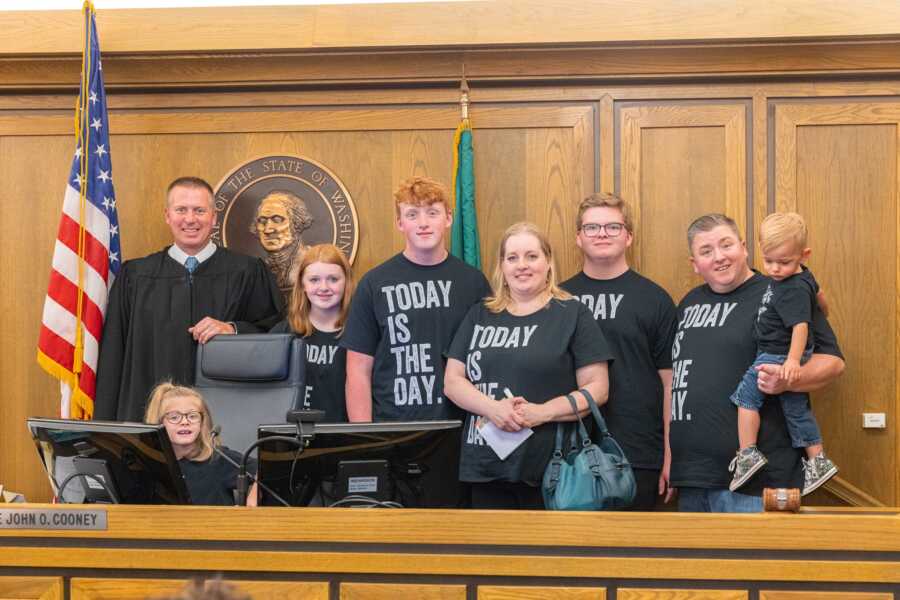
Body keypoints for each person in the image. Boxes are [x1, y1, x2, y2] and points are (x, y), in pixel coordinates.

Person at [670, 213, 844, 513]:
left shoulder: (782, 289)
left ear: (744, 247)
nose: (719, 257)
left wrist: (788, 379)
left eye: (726, 245)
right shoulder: (688, 303)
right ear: (694, 264)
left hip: (760, 483)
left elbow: (833, 363)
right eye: (706, 251)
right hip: (692, 479)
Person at [444, 222, 613, 509]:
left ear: (548, 262)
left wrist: (543, 412)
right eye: (512, 258)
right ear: (502, 267)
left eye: (532, 256)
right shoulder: (480, 314)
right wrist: (492, 408)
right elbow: (452, 381)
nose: (522, 265)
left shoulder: (572, 313)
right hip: (485, 467)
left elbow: (598, 388)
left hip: (552, 471)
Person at [95, 176, 283, 422]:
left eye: (199, 210)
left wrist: (234, 329)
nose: (190, 219)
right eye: (181, 210)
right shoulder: (136, 277)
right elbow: (113, 356)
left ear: (214, 217)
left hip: (225, 419)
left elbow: (276, 334)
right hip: (149, 417)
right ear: (167, 215)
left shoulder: (247, 272)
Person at [561, 193, 678, 509]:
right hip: (568, 454)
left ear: (628, 237)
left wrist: (670, 455)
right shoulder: (558, 299)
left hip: (638, 452)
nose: (602, 234)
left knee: (635, 554)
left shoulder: (655, 299)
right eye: (592, 227)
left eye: (613, 227)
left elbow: (672, 384)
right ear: (578, 238)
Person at [341, 176, 490, 422]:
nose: (423, 223)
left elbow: (490, 360)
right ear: (400, 223)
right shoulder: (374, 284)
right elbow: (358, 370)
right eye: (412, 215)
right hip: (392, 429)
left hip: (459, 426)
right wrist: (365, 438)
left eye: (432, 213)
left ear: (449, 218)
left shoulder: (473, 283)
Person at [728, 212, 838, 496]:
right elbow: (821, 296)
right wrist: (823, 311)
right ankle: (818, 461)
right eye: (769, 261)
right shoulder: (804, 277)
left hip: (775, 354)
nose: (775, 269)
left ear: (804, 254)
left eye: (784, 262)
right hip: (782, 353)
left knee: (746, 398)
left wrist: (791, 360)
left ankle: (748, 453)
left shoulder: (791, 290)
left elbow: (801, 326)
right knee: (795, 409)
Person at [270, 243, 354, 422]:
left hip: (346, 437)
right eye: (314, 280)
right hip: (294, 437)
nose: (323, 287)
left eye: (333, 279)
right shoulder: (283, 334)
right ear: (302, 284)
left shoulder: (361, 332)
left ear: (346, 281)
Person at [144, 382, 257, 506]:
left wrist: (252, 501)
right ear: (159, 422)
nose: (185, 422)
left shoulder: (218, 458)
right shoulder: (148, 463)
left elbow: (265, 470)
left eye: (192, 416)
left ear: (203, 422)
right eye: (174, 417)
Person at [250, 190, 313, 290]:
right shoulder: (257, 270)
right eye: (262, 221)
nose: (268, 230)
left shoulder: (313, 263)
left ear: (297, 223)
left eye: (277, 220)